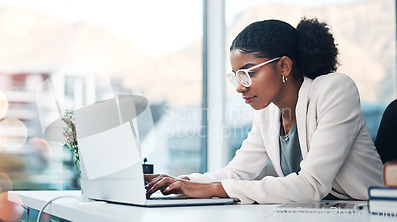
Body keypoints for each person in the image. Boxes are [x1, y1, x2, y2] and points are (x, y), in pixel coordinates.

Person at [144, 18, 384, 204]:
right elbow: (237, 172)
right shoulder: (269, 111)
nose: (240, 87)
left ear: (284, 65)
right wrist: (181, 182)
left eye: (249, 73)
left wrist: (214, 189)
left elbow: (311, 185)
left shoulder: (335, 90)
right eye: (236, 76)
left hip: (369, 213)